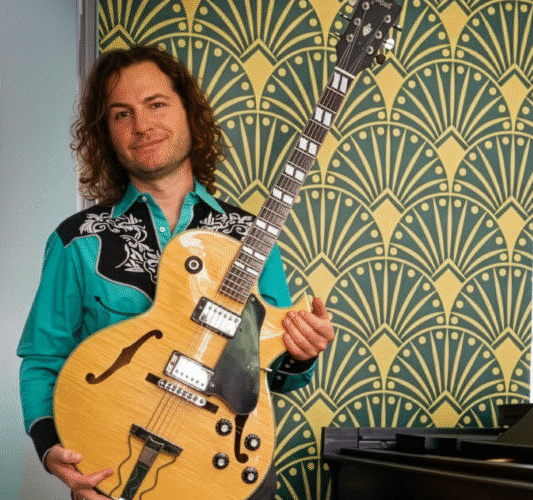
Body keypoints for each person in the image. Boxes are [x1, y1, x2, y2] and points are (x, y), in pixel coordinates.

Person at [18, 45, 335, 500]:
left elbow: (273, 373)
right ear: (106, 132)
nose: (142, 125)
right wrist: (50, 451)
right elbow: (42, 360)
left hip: (225, 466)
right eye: (121, 114)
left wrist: (302, 350)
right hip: (113, 471)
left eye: (156, 105)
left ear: (189, 112)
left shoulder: (252, 236)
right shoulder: (76, 241)